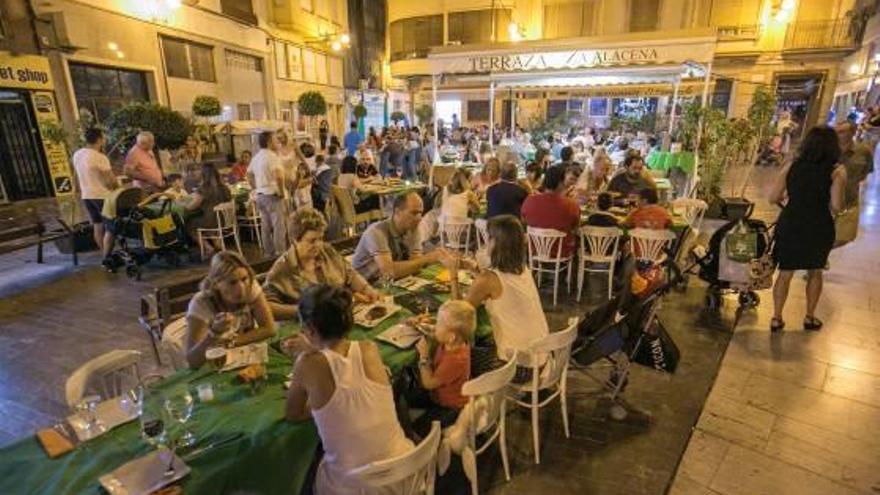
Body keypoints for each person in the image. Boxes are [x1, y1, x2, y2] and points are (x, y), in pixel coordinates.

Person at [283, 284, 414, 495]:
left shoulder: (306, 363)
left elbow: (293, 413)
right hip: (407, 471)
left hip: (356, 487)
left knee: (302, 476)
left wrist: (322, 407)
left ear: (309, 329)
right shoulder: (369, 348)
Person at [769, 126, 846, 333]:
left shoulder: (791, 166)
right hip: (819, 225)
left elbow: (773, 198)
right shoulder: (836, 171)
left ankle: (776, 317)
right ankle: (810, 316)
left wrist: (792, 202)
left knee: (785, 273)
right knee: (815, 271)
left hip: (791, 222)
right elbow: (837, 206)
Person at [449, 215, 549, 364]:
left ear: (497, 243)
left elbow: (457, 316)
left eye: (489, 238)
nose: (486, 243)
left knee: (458, 356)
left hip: (519, 366)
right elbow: (496, 282)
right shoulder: (522, 268)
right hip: (542, 356)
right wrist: (474, 268)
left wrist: (453, 274)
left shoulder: (488, 279)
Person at [264, 209, 378, 320]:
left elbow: (350, 274)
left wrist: (367, 289)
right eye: (312, 241)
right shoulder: (282, 269)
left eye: (321, 238)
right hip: (308, 327)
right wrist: (304, 311)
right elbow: (267, 308)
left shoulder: (327, 251)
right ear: (294, 240)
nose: (318, 245)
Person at [185, 251, 276, 368]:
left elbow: (269, 328)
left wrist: (232, 342)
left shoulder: (250, 287)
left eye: (244, 279)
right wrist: (214, 334)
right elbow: (192, 360)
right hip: (212, 366)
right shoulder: (201, 303)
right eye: (232, 282)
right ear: (216, 283)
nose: (241, 288)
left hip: (243, 359)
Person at [398, 300, 474, 437]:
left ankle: (427, 448)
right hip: (437, 395)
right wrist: (419, 322)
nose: (435, 326)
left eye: (439, 323)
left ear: (451, 337)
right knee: (403, 398)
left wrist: (424, 356)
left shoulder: (455, 360)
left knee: (418, 428)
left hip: (450, 407)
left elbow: (428, 383)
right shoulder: (454, 341)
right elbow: (437, 331)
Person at [352, 191, 450, 282]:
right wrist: (426, 259)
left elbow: (415, 265)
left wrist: (433, 258)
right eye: (414, 213)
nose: (419, 218)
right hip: (364, 286)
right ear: (397, 212)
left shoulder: (412, 229)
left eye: (421, 213)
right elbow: (389, 272)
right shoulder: (377, 231)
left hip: (388, 282)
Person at [72, 127, 119, 261]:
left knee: (97, 225)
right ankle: (108, 256)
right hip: (102, 196)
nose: (105, 140)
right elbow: (110, 180)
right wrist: (118, 188)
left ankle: (105, 253)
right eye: (103, 137)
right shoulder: (100, 157)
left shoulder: (78, 154)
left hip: (87, 195)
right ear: (99, 139)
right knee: (111, 227)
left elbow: (76, 175)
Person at [521, 165, 581, 258]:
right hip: (561, 253)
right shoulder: (572, 205)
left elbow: (524, 221)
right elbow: (575, 226)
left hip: (534, 251)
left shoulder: (529, 201)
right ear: (561, 183)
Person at [247, 130, 288, 257]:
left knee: (265, 225)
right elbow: (279, 176)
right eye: (276, 140)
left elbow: (249, 174)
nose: (278, 142)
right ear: (269, 142)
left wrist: (256, 187)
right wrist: (281, 192)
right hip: (272, 194)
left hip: (261, 195)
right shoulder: (273, 157)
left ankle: (268, 253)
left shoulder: (256, 157)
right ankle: (280, 253)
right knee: (278, 226)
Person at [185, 163, 233, 255]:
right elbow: (229, 199)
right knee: (206, 221)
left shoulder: (203, 189)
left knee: (190, 224)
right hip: (225, 220)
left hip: (212, 221)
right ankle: (217, 242)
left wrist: (184, 206)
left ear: (203, 174)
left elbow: (192, 206)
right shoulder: (224, 187)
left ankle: (208, 247)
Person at [835, 121, 873, 209]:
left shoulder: (863, 151)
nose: (837, 135)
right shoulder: (828, 149)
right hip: (827, 200)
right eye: (836, 132)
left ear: (853, 133)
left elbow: (867, 172)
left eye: (841, 132)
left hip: (850, 202)